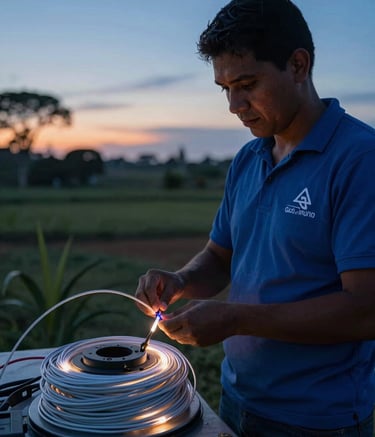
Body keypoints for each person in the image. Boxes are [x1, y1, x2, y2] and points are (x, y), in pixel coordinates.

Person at [135, 0, 375, 435]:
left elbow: (365, 310)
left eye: (246, 83)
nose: (233, 104)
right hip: (237, 397)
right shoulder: (248, 159)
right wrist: (181, 279)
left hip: (317, 418)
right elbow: (219, 256)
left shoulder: (360, 160)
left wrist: (235, 318)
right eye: (224, 87)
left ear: (298, 65)